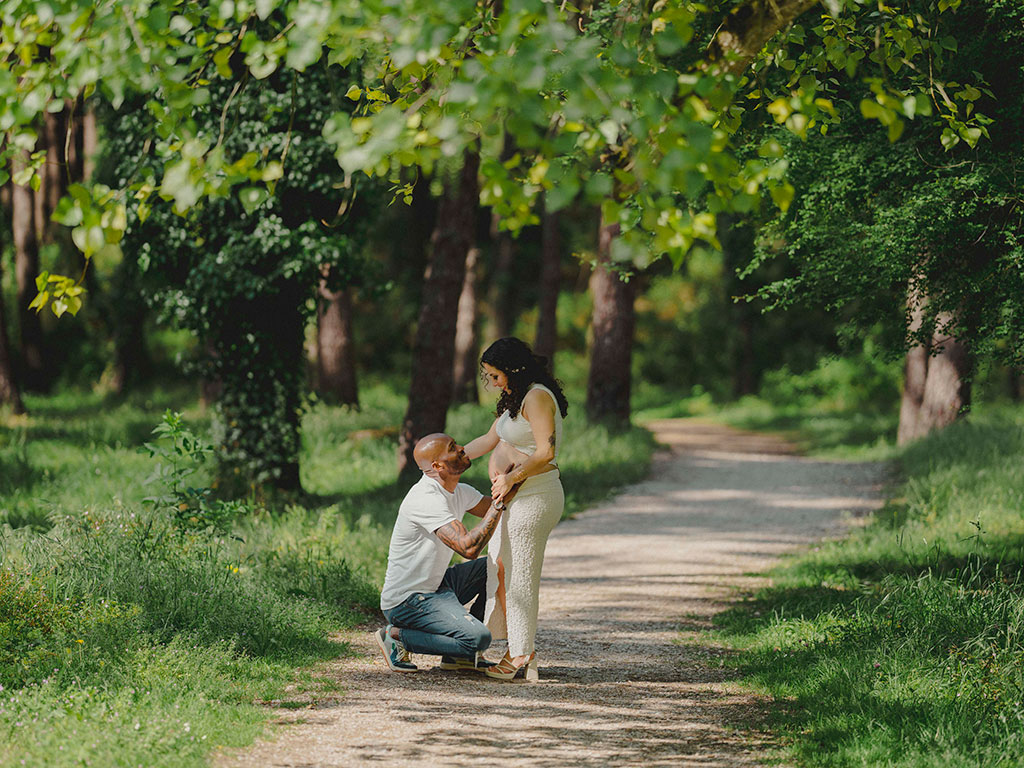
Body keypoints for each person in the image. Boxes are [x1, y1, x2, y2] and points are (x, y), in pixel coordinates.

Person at [464, 337, 569, 682]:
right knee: (503, 570)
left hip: (536, 496)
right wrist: (451, 459)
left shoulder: (537, 397)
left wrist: (512, 479)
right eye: (488, 376)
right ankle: (520, 648)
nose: (492, 383)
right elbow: (488, 440)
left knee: (522, 574)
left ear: (514, 370)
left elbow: (545, 452)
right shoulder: (514, 398)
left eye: (495, 376)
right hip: (513, 498)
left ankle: (521, 653)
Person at [376, 433, 508, 673]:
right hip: (408, 600)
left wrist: (515, 481)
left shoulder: (459, 490)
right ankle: (395, 635)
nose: (461, 448)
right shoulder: (425, 499)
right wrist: (499, 502)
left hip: (438, 585)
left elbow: (501, 508)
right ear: (437, 466)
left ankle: (459, 657)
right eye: (452, 448)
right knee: (478, 639)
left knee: (496, 568)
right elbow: (468, 547)